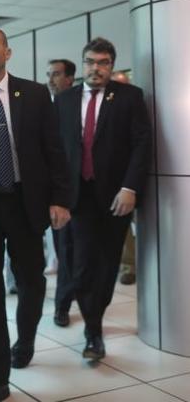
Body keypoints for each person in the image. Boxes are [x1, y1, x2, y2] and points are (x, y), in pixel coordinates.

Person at [0, 27, 71, 402]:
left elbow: (54, 150)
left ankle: (24, 341)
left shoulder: (35, 95)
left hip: (26, 201)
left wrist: (60, 199)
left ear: (7, 52)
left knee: (31, 280)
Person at [54, 37, 150, 360]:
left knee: (108, 264)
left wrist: (130, 188)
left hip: (115, 197)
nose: (96, 68)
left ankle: (94, 325)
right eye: (91, 62)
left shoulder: (129, 97)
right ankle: (93, 327)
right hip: (77, 198)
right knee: (80, 266)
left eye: (103, 63)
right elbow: (55, 151)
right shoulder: (64, 100)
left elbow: (141, 144)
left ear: (112, 65)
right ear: (83, 65)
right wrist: (56, 196)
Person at [47, 59, 77, 328]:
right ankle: (63, 304)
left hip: (86, 193)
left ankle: (70, 299)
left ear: (70, 78)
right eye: (49, 75)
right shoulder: (51, 107)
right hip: (59, 195)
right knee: (64, 251)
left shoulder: (74, 105)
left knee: (81, 254)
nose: (51, 79)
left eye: (56, 74)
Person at [110, 70, 137, 286]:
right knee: (125, 229)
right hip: (116, 182)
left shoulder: (136, 102)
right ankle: (128, 265)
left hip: (139, 180)